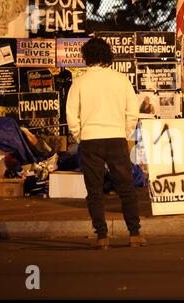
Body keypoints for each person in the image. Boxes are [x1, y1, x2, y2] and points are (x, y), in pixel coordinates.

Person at [66, 38, 146, 250]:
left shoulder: (80, 82)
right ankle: (134, 233)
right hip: (116, 137)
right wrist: (125, 132)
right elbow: (132, 112)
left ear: (86, 56)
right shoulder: (121, 80)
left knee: (94, 190)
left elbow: (71, 115)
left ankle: (102, 236)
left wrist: (79, 136)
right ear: (108, 55)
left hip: (91, 139)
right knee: (126, 187)